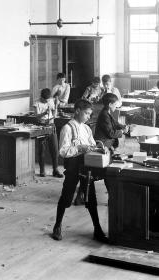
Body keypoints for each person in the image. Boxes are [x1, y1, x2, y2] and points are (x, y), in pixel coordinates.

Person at [51, 99, 108, 243]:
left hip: (87, 167)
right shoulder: (67, 128)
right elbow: (63, 152)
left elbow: (92, 145)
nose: (89, 116)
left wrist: (99, 148)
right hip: (73, 167)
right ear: (77, 111)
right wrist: (79, 148)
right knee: (66, 197)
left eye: (90, 114)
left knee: (91, 198)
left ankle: (97, 229)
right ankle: (57, 225)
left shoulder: (87, 128)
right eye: (87, 113)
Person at [33, 88, 63, 178]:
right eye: (44, 100)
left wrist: (56, 106)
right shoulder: (36, 103)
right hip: (41, 126)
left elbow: (54, 115)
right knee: (42, 150)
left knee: (54, 149)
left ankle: (55, 170)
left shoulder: (50, 101)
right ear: (41, 97)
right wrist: (44, 113)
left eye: (47, 100)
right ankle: (42, 170)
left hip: (51, 125)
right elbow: (37, 117)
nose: (46, 101)